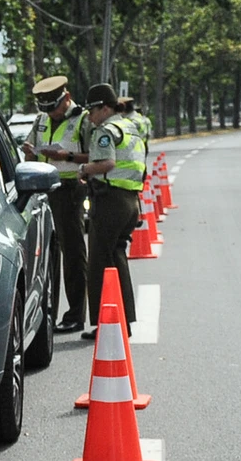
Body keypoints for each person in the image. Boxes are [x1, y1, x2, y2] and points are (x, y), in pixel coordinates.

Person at [76, 83, 146, 340]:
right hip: (130, 201)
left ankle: (106, 324)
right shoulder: (130, 127)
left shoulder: (105, 130)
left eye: (92, 111)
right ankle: (123, 322)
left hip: (110, 200)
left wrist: (84, 170)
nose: (89, 116)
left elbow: (107, 163)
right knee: (116, 259)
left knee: (99, 264)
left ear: (105, 108)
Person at [20, 75, 87, 333]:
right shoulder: (41, 120)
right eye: (46, 108)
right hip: (42, 190)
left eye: (54, 108)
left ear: (66, 98)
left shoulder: (82, 120)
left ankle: (75, 315)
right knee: (47, 255)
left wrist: (65, 156)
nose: (51, 114)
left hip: (69, 190)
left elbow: (97, 156)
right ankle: (48, 313)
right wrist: (29, 151)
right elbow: (31, 149)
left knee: (72, 254)